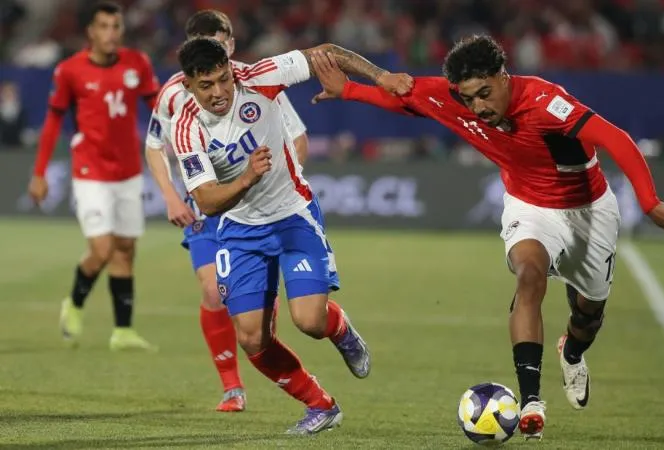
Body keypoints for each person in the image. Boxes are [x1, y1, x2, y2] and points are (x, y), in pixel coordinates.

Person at [310, 35, 664, 439]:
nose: (478, 107)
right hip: (529, 206)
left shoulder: (546, 102)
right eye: (470, 98)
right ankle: (531, 403)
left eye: (485, 93)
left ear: (503, 76)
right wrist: (348, 90)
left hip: (590, 211)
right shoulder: (457, 98)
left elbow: (616, 139)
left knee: (588, 315)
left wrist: (649, 203)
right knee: (529, 275)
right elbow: (407, 100)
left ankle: (572, 351)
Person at [172, 37, 412, 434]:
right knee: (252, 340)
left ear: (231, 69)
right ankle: (321, 404)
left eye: (222, 79)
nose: (218, 93)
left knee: (309, 321)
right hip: (239, 230)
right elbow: (207, 202)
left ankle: (340, 329)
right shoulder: (186, 130)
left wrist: (381, 76)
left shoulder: (260, 77)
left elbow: (328, 52)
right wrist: (248, 177)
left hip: (292, 216)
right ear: (188, 85)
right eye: (206, 85)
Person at [144, 9, 312, 413]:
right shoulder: (172, 95)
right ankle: (232, 387)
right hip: (208, 205)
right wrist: (168, 194)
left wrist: (284, 183)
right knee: (210, 290)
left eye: (221, 45)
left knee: (251, 317)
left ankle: (272, 314)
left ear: (230, 46)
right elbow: (153, 145)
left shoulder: (258, 82)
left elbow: (297, 137)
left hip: (260, 205)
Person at [28, 1, 158, 351]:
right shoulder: (70, 70)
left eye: (116, 27)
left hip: (129, 169)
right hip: (90, 170)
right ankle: (74, 303)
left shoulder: (137, 63)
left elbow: (158, 105)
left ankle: (123, 331)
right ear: (91, 31)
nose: (111, 34)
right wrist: (39, 173)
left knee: (126, 249)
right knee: (101, 248)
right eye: (104, 26)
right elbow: (54, 120)